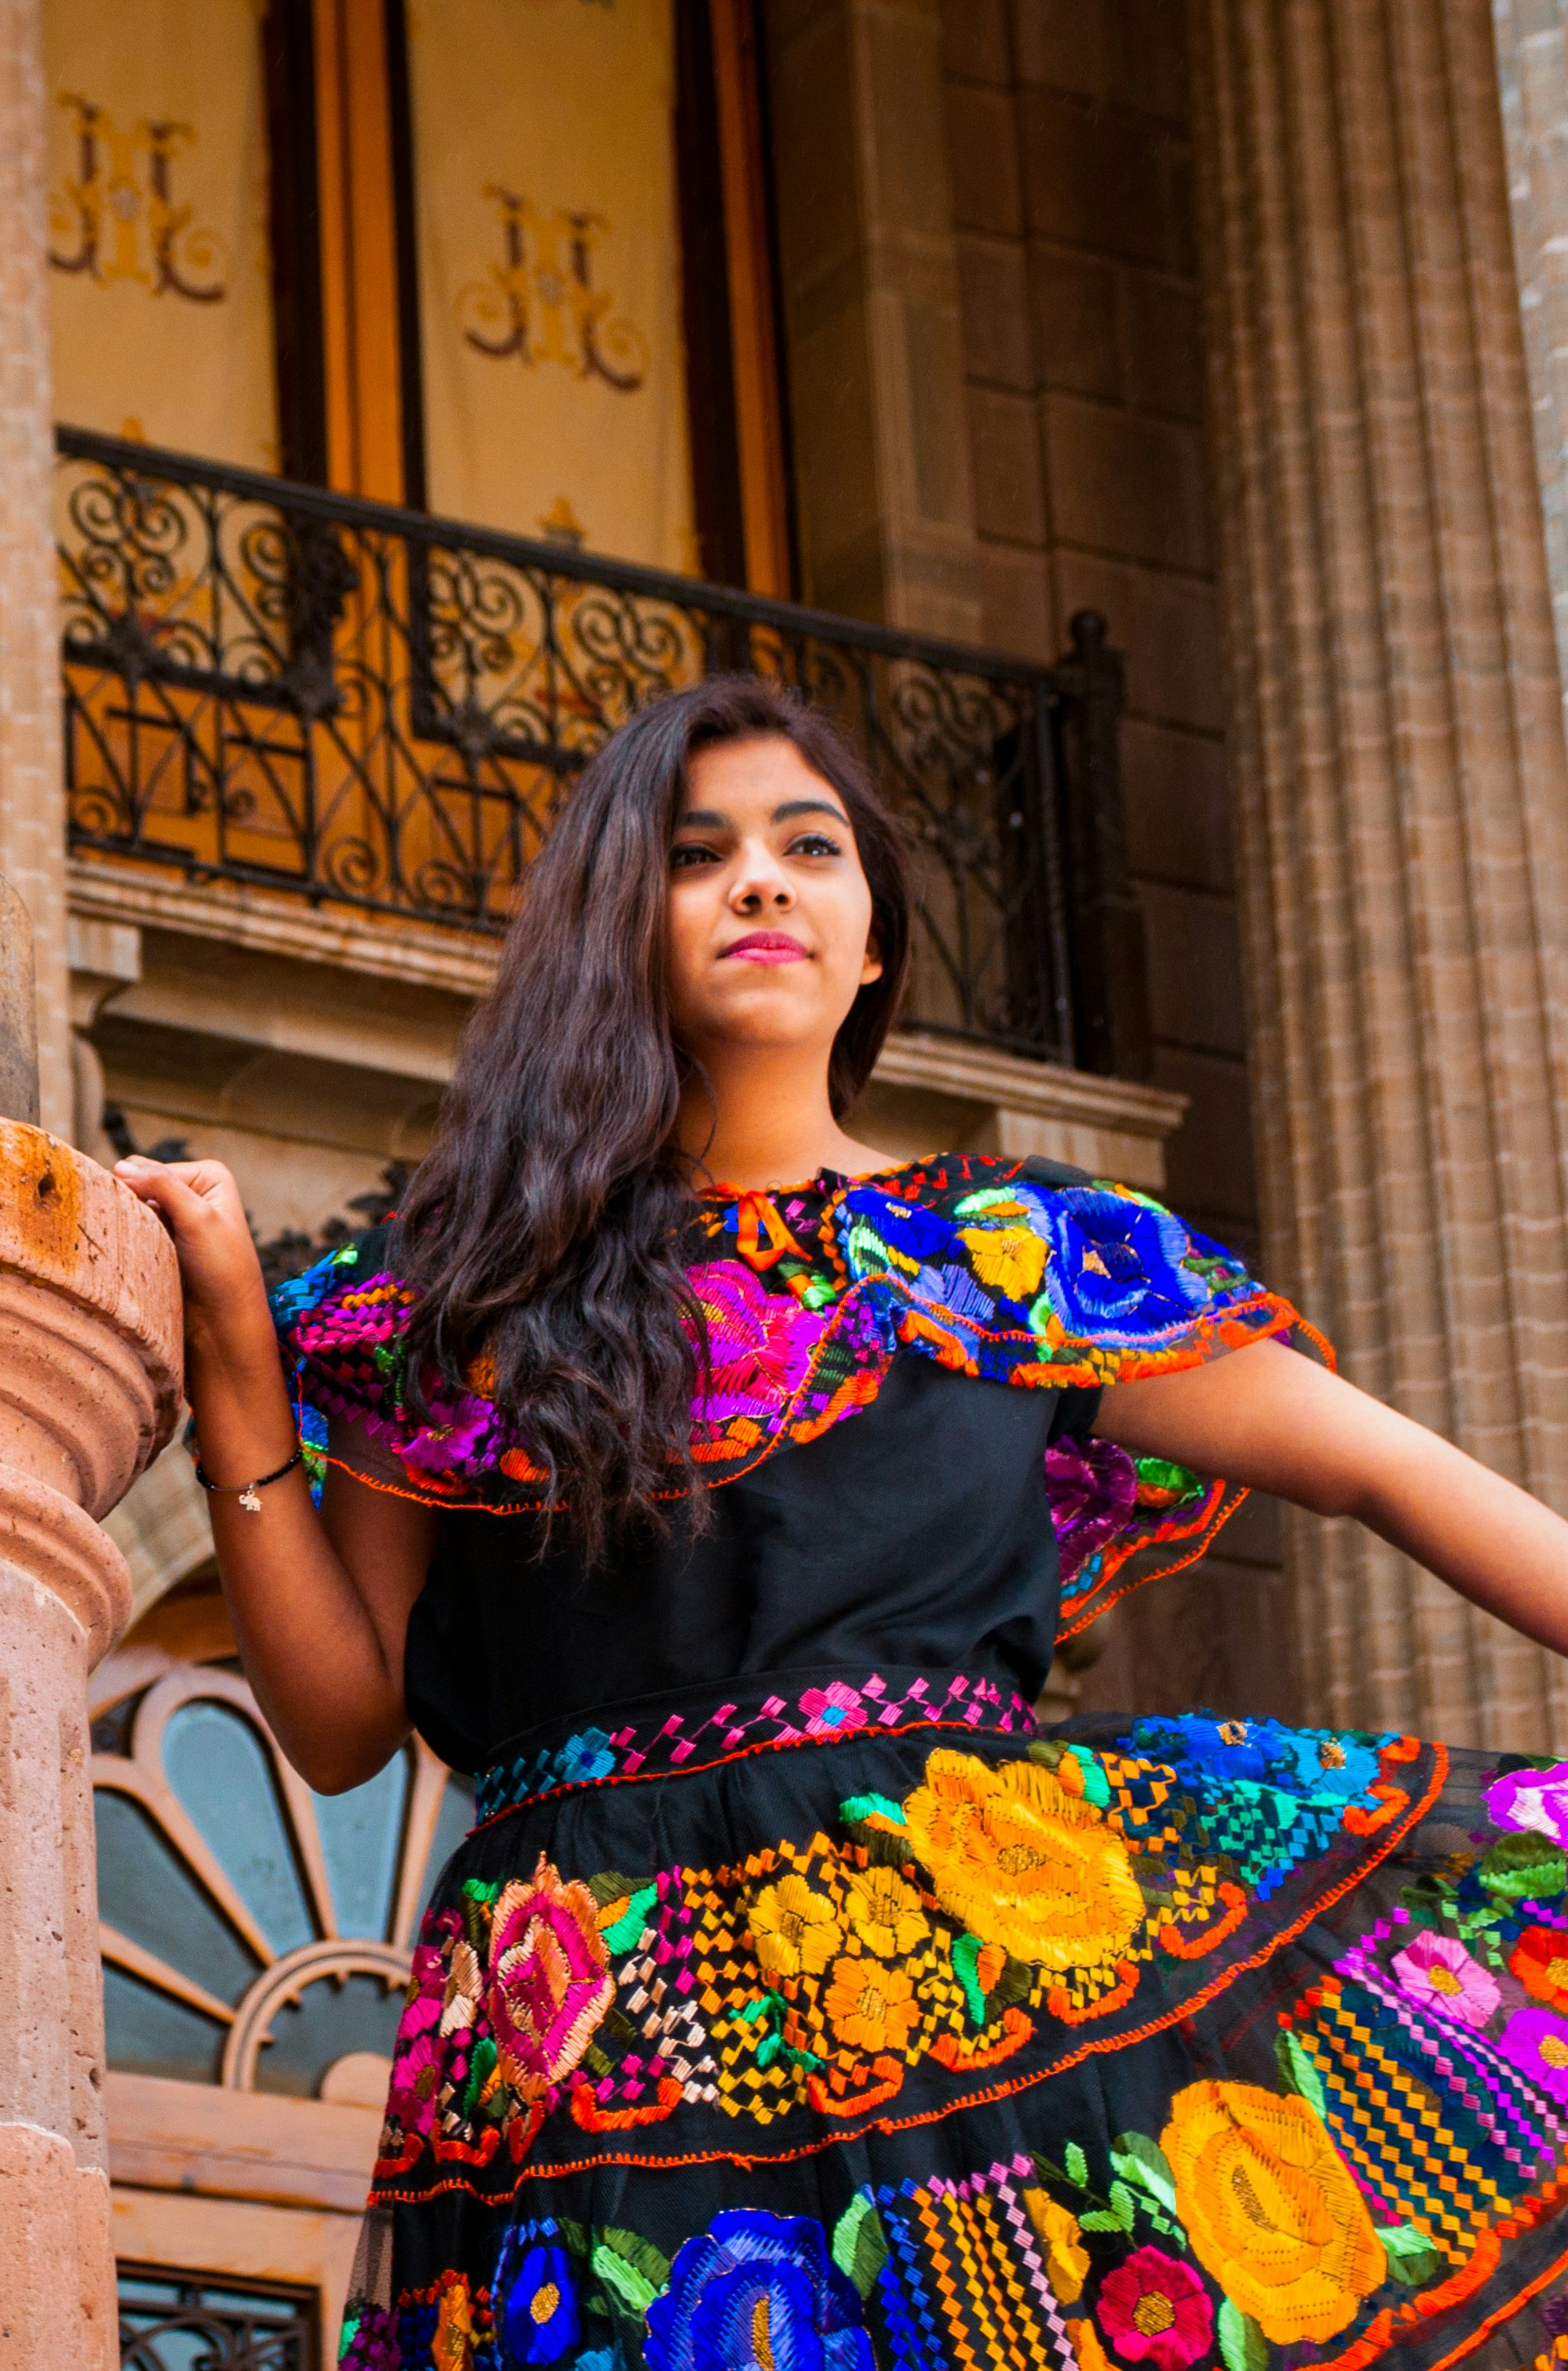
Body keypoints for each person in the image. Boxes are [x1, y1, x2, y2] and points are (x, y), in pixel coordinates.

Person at [118, 674, 1568, 2371]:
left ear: (870, 937)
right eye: (696, 851)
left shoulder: (1012, 1255)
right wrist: (238, 1361)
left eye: (807, 846)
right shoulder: (443, 1302)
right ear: (616, 922)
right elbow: (340, 1717)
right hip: (583, 2016)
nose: (759, 880)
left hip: (962, 2005)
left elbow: (1387, 1465)